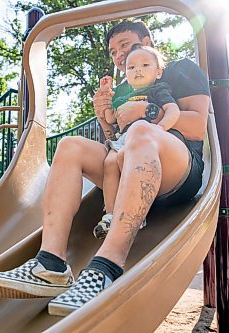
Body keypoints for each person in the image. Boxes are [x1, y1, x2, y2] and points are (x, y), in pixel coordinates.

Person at [0, 20, 210, 317]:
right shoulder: (127, 86)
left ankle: (108, 266)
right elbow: (117, 142)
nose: (119, 56)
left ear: (147, 41)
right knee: (70, 146)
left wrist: (149, 113)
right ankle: (51, 264)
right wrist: (105, 118)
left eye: (125, 45)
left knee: (140, 131)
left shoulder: (178, 70)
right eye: (114, 52)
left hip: (179, 170)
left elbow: (197, 126)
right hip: (131, 165)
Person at [93, 44, 180, 239]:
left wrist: (161, 128)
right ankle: (110, 214)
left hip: (145, 138)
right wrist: (106, 95)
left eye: (145, 65)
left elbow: (173, 110)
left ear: (158, 72)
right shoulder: (123, 96)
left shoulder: (158, 90)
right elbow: (111, 118)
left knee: (127, 161)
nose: (137, 69)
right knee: (109, 163)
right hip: (124, 138)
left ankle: (135, 212)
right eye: (131, 67)